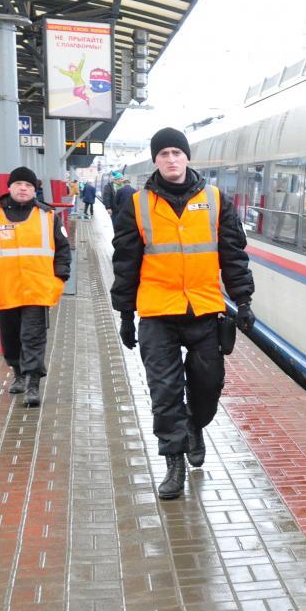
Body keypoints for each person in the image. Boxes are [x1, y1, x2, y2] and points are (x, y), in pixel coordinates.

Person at [111, 127, 256, 500]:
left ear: (187, 157)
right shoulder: (138, 205)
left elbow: (233, 256)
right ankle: (173, 462)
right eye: (164, 154)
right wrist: (126, 314)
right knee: (165, 391)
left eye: (177, 152)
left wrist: (244, 301)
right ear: (156, 160)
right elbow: (126, 262)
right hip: (158, 313)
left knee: (208, 386)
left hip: (205, 309)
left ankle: (196, 424)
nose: (171, 160)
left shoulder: (217, 200)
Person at [0, 166, 71, 407]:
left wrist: (59, 278)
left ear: (35, 190)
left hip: (38, 288)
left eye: (29, 185)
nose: (24, 188)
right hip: (6, 289)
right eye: (19, 184)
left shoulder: (48, 216)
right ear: (9, 187)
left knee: (33, 337)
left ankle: (32, 382)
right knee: (10, 337)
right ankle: (18, 372)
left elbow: (63, 249)